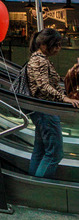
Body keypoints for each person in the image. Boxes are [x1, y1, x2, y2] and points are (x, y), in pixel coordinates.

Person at [25, 28, 79, 179]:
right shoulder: (40, 60)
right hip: (46, 110)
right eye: (55, 45)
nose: (58, 49)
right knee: (55, 153)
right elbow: (43, 86)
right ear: (43, 45)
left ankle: (34, 184)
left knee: (41, 149)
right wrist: (65, 99)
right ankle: (40, 186)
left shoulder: (39, 59)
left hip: (41, 109)